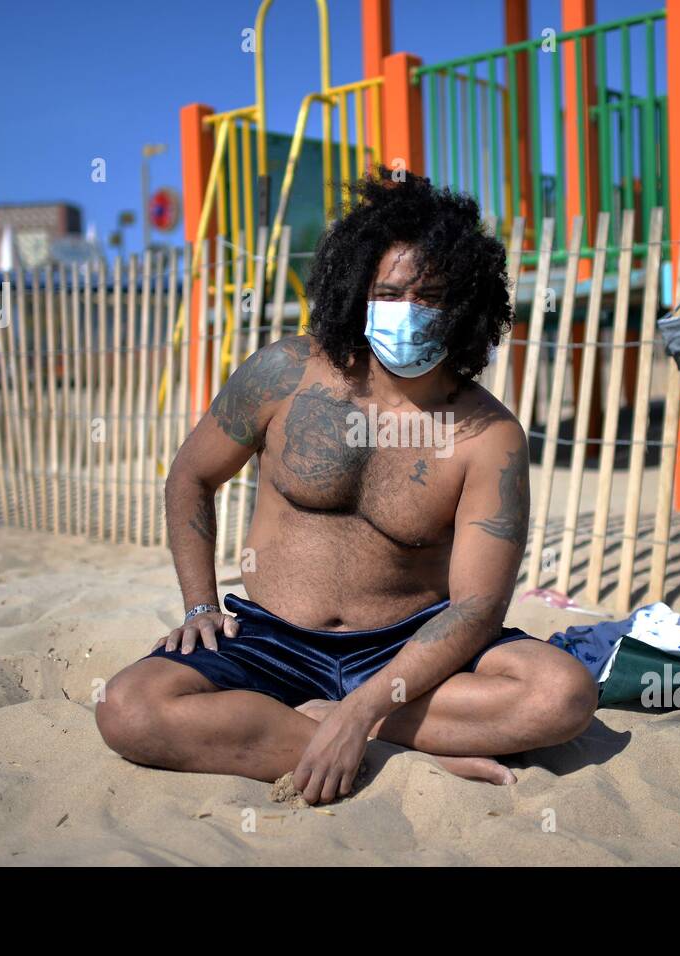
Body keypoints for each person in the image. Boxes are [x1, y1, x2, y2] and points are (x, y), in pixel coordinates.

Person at [96, 172, 596, 805]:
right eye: (389, 292)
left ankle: (333, 729)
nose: (409, 312)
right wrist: (200, 607)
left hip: (409, 652)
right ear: (356, 290)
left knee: (562, 694)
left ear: (465, 306)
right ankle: (394, 747)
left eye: (431, 296)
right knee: (127, 708)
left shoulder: (488, 434)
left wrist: (361, 712)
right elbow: (191, 477)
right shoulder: (285, 372)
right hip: (271, 638)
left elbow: (475, 608)